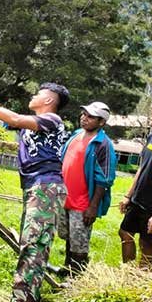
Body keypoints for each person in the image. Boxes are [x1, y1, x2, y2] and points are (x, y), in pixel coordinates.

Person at [0, 83, 70, 302]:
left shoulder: (52, 120)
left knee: (34, 244)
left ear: (49, 101)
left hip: (46, 187)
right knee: (30, 242)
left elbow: (15, 119)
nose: (34, 95)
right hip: (35, 188)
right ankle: (27, 298)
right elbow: (4, 119)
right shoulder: (29, 126)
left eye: (39, 93)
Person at [58, 101, 116, 274]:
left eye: (91, 117)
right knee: (69, 237)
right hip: (65, 197)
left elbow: (104, 179)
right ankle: (67, 267)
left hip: (83, 202)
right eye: (84, 114)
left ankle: (76, 275)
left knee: (80, 242)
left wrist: (93, 206)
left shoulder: (103, 144)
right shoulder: (76, 135)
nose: (84, 118)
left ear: (101, 122)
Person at [119, 97, 152, 266]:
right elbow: (141, 167)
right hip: (138, 200)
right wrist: (128, 195)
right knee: (124, 233)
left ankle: (143, 278)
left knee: (147, 242)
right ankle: (128, 273)